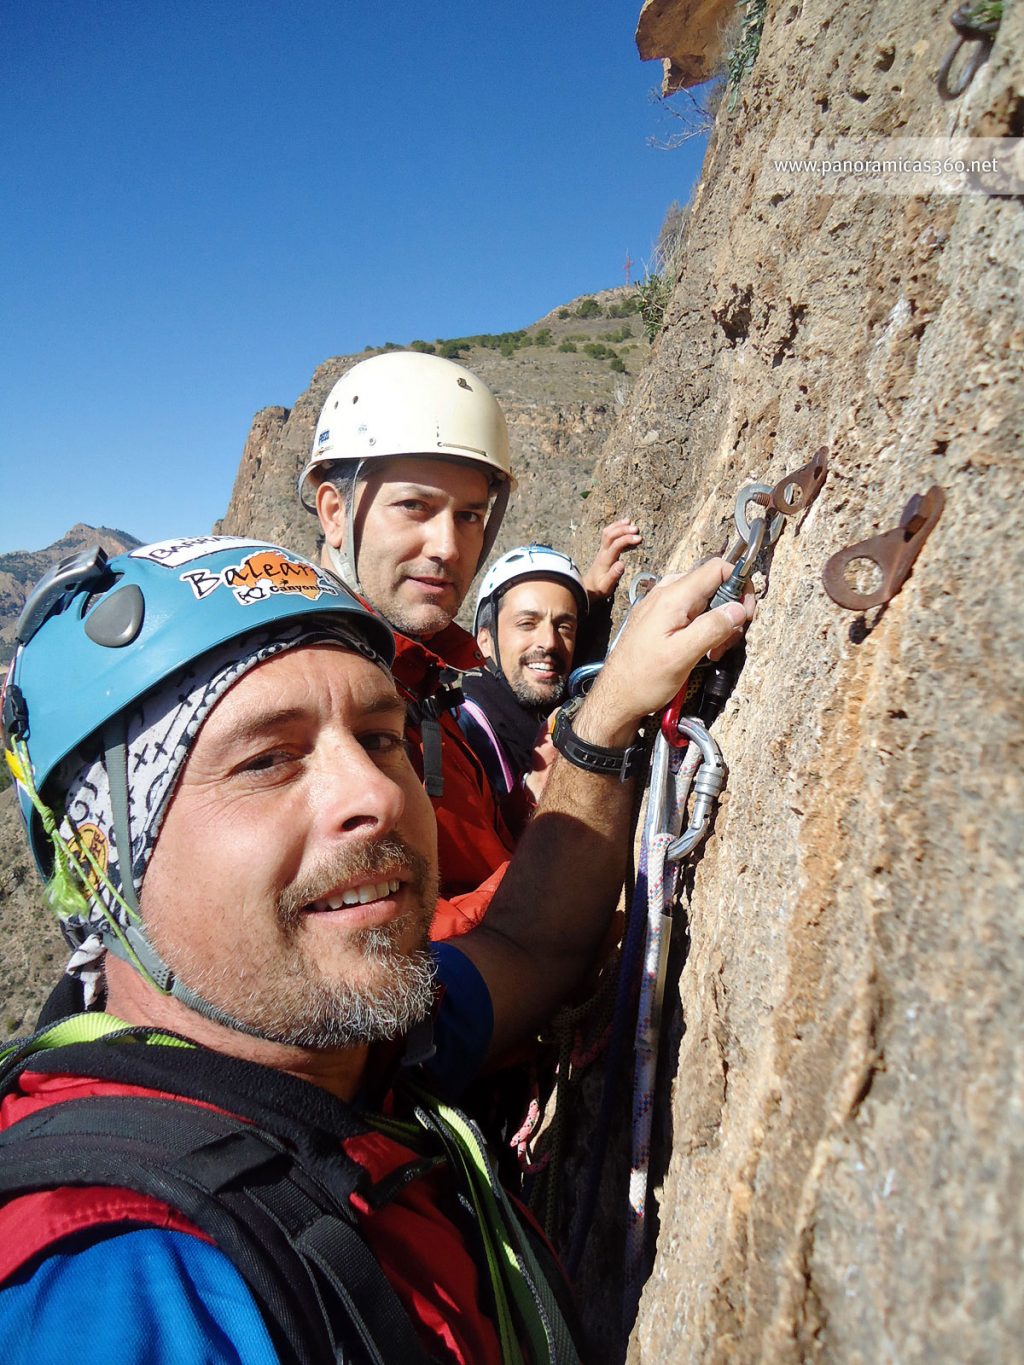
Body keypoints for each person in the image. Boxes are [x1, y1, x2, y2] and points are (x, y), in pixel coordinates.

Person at [0, 535, 752, 1363]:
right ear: (94, 864)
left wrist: (605, 719)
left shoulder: (349, 1050)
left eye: (382, 735)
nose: (374, 793)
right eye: (268, 759)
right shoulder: (117, 1282)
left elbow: (531, 943)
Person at [300, 350, 519, 936]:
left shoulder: (432, 675)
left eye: (470, 516)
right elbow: (368, 945)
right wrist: (550, 874)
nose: (447, 546)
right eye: (414, 507)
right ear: (335, 511)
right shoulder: (310, 697)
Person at [461, 529, 640, 821]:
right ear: (484, 641)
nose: (549, 642)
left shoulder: (536, 709)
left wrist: (588, 595)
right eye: (527, 623)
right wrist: (530, 796)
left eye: (563, 627)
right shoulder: (465, 736)